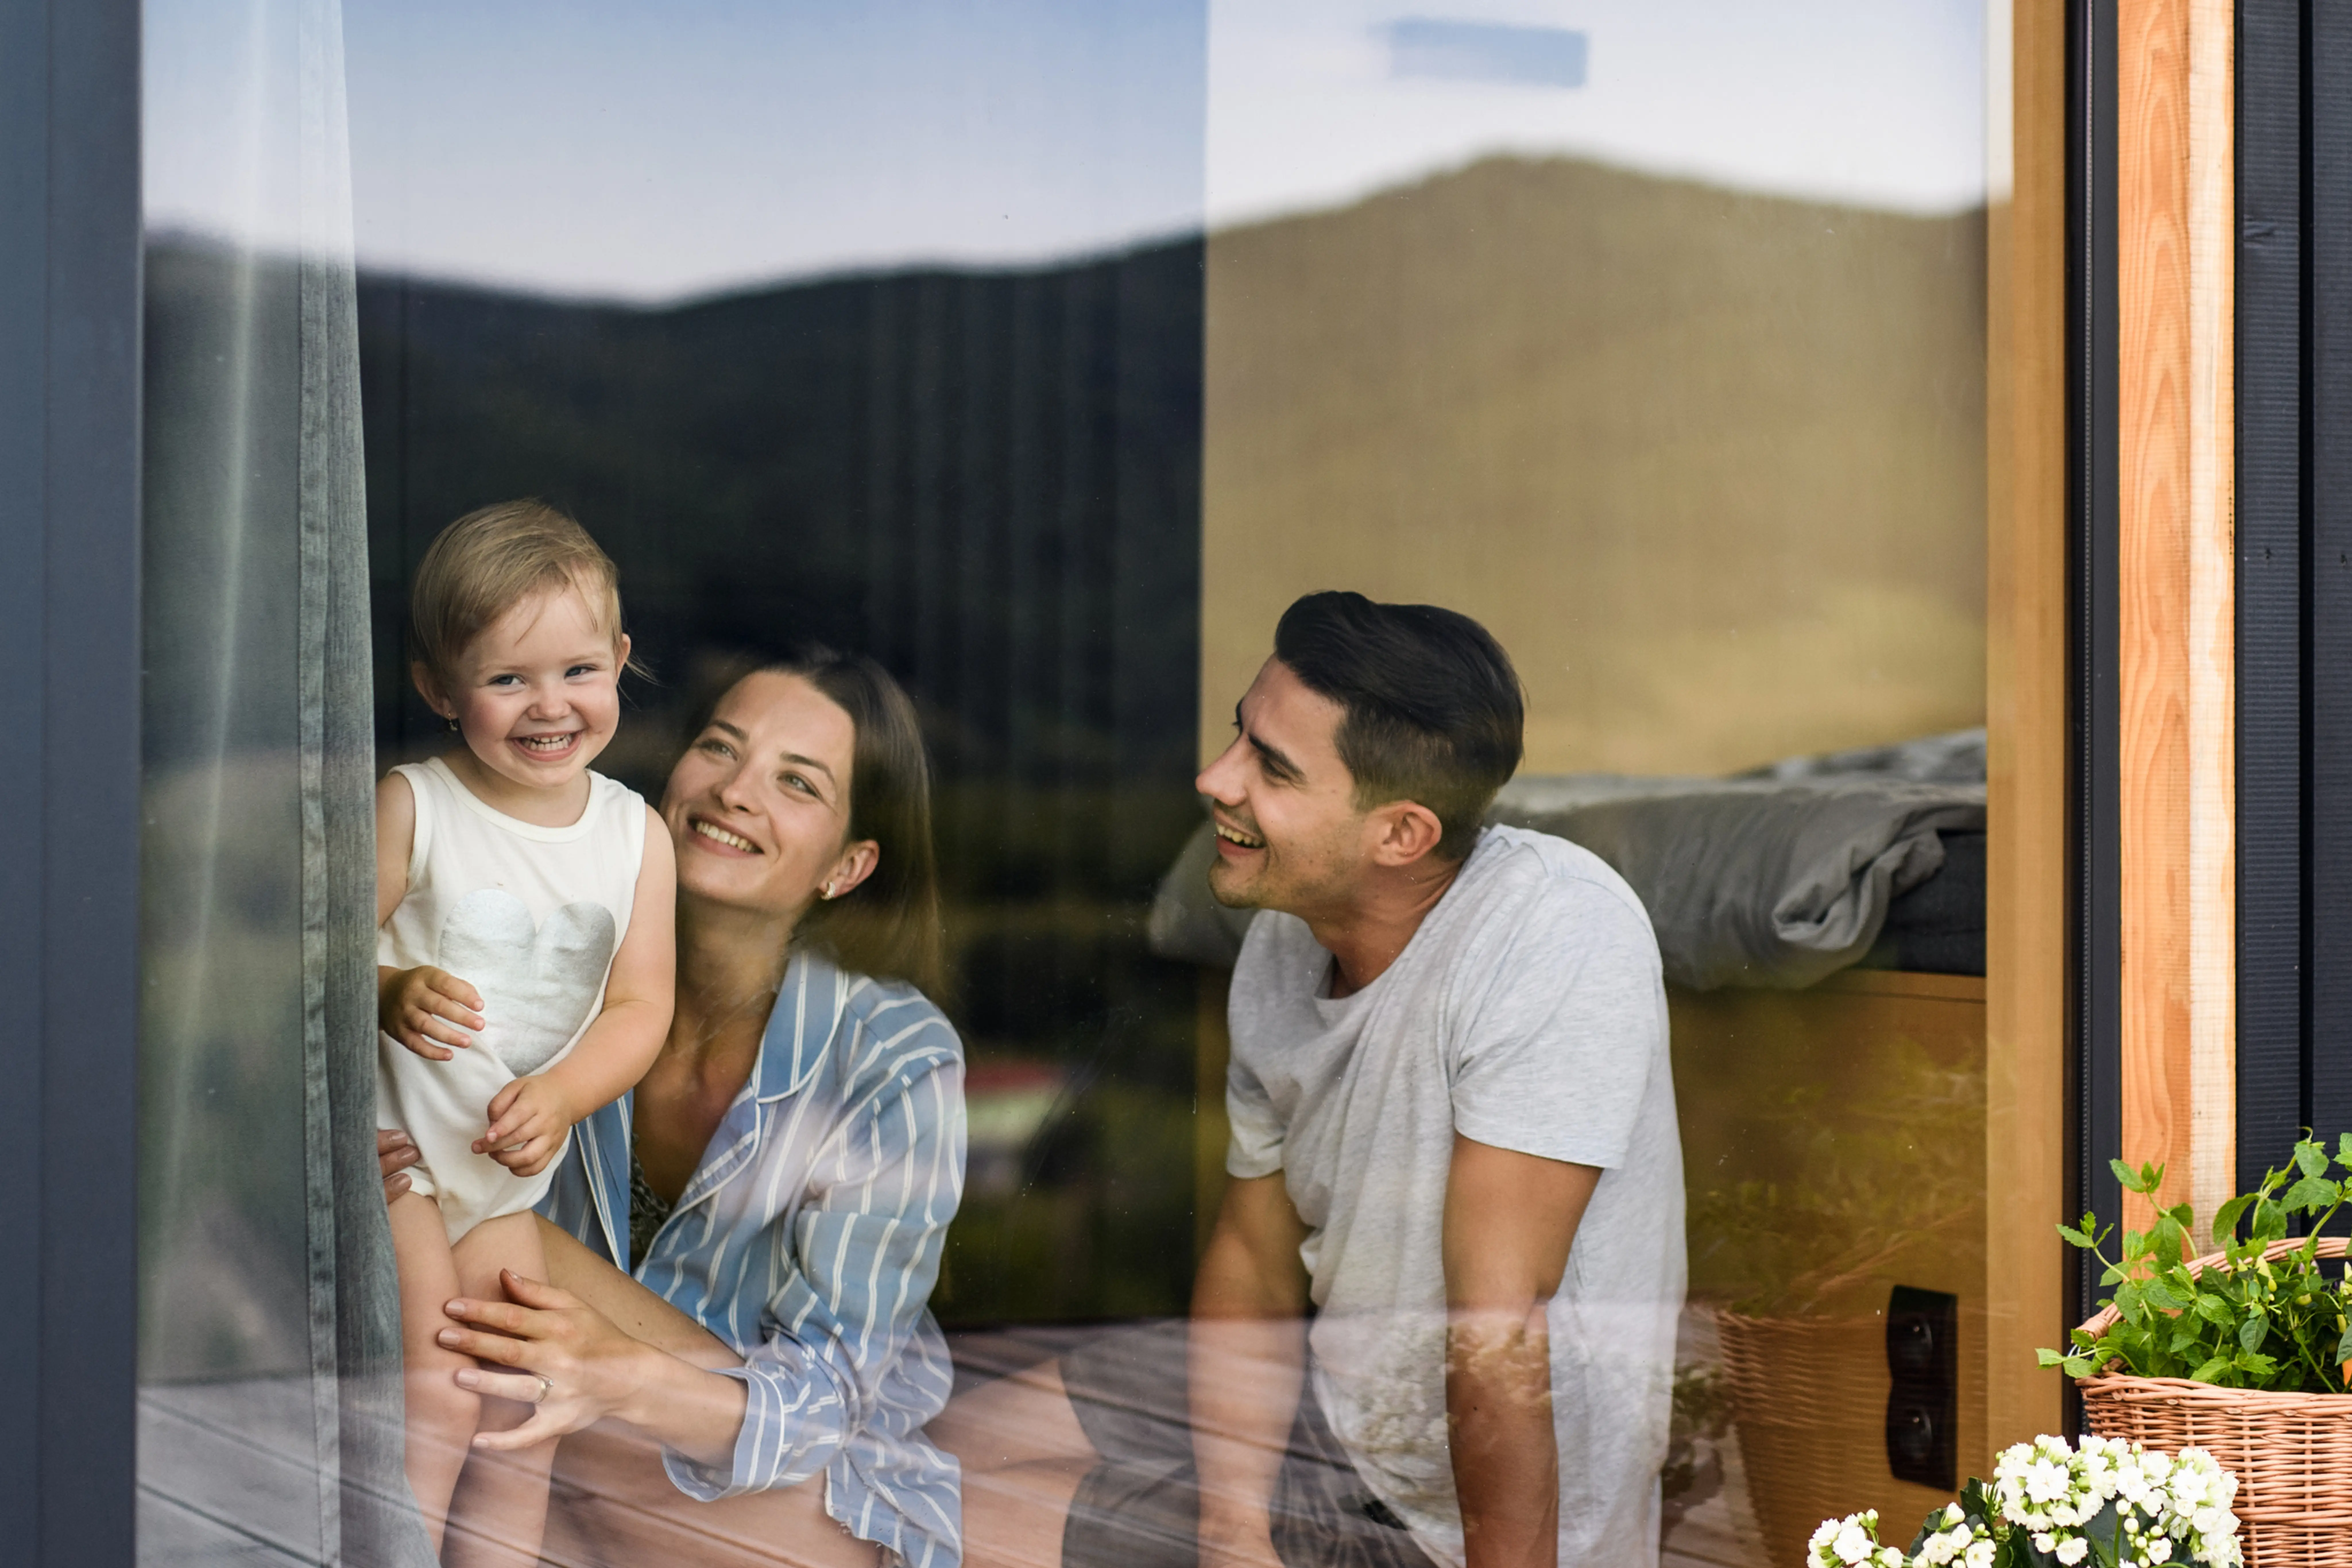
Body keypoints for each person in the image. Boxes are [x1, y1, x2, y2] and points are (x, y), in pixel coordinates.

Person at [933, 591, 1685, 1568]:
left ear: (1402, 834)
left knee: (948, 1533)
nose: (1214, 779)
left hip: (1441, 1524)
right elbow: (1253, 1252)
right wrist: (1232, 1525)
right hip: (1328, 1404)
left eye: (1272, 769)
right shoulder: (1286, 942)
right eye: (1237, 734)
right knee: (943, 1456)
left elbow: (1494, 1334)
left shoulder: (1554, 933)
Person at [386, 650, 967, 1568]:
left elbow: (828, 1402)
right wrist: (393, 1158)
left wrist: (615, 1372)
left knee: (492, 1293)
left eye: (797, 783)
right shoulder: (553, 962)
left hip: (795, 1495)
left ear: (848, 865)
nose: (738, 791)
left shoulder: (891, 1053)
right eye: (720, 747)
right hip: (548, 1438)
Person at [376, 500, 678, 1566]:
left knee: (521, 1413)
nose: (549, 705)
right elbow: (300, 970)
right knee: (438, 1401)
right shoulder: (416, 805)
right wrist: (385, 987)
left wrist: (563, 1096)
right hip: (400, 1161)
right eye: (509, 679)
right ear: (439, 689)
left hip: (501, 1177)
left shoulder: (633, 833)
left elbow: (642, 1006)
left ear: (622, 660)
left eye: (578, 671)